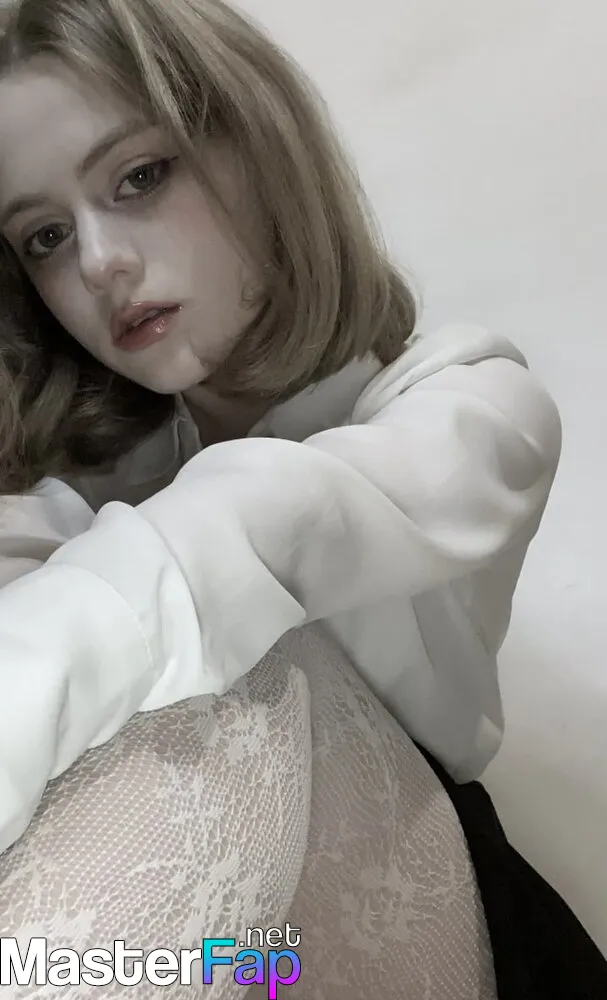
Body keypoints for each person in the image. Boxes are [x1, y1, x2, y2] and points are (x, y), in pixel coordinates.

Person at [0, 0, 561, 859]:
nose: (99, 262)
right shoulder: (104, 473)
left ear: (264, 152)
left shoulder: (473, 408)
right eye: (46, 236)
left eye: (140, 176)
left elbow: (272, 518)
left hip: (439, 884)